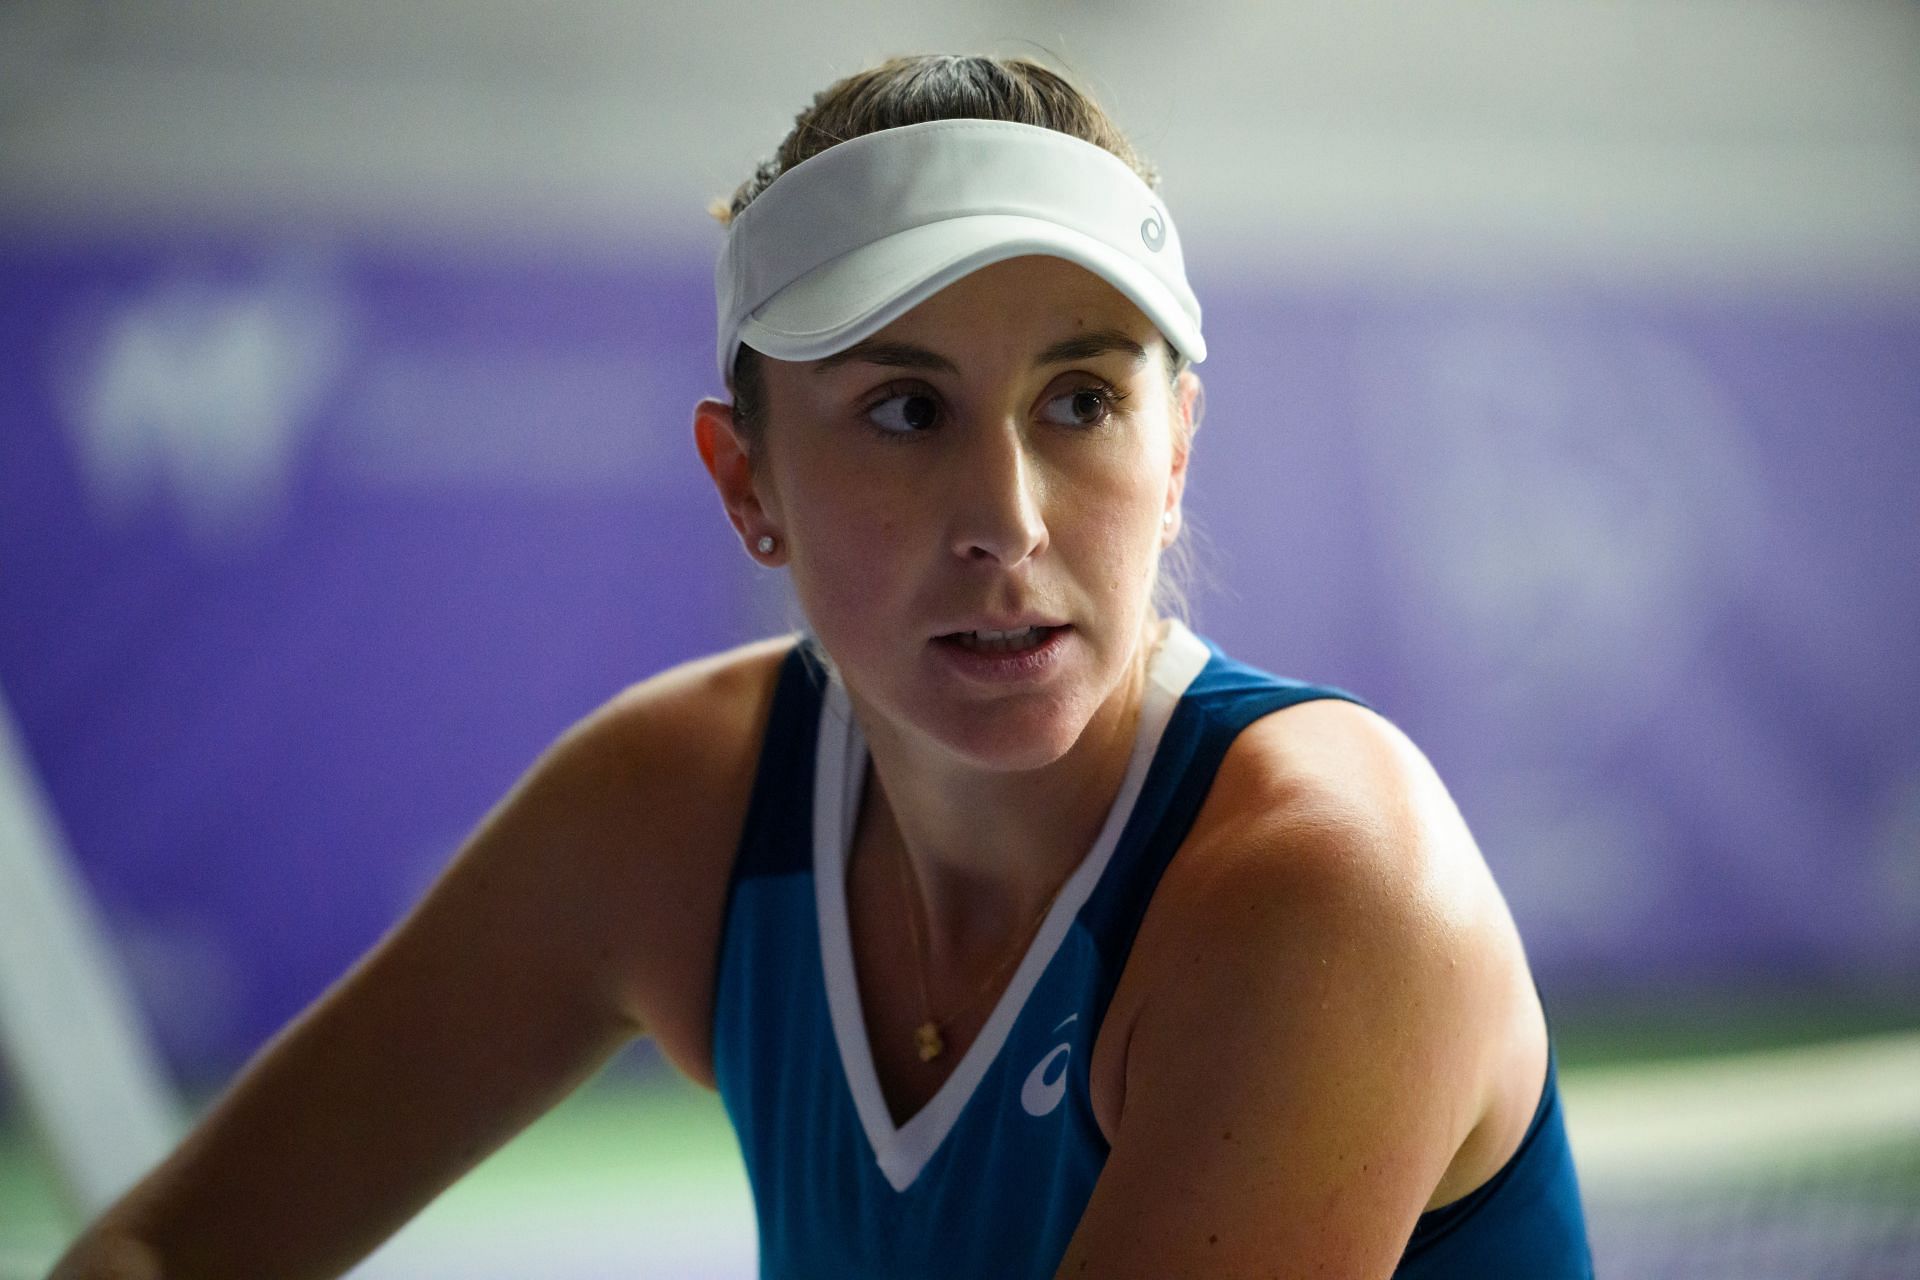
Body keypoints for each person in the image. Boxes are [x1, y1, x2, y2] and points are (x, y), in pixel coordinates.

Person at [50, 54, 1592, 1280]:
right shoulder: (675, 808)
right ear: (748, 487)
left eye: (1081, 400)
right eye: (905, 412)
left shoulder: (1330, 887)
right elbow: (160, 1251)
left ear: (1177, 446)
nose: (1007, 522)